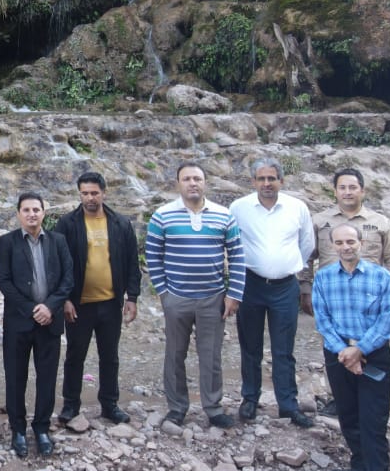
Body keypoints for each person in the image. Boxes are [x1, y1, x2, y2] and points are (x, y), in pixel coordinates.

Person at [313, 224, 390, 471]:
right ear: (333, 246)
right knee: (348, 415)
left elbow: (389, 321)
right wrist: (345, 352)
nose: (346, 246)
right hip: (337, 355)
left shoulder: (381, 277)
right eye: (340, 242)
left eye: (351, 241)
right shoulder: (323, 278)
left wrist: (359, 350)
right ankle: (360, 467)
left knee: (373, 420)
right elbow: (322, 320)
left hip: (374, 355)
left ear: (362, 242)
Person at [145, 163, 245, 428]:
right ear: (178, 183)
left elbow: (237, 256)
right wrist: (164, 293)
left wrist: (233, 294)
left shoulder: (224, 216)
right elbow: (153, 256)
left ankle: (213, 408)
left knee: (211, 355)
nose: (192, 183)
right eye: (187, 179)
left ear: (205, 182)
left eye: (197, 178)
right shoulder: (162, 216)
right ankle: (177, 408)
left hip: (213, 298)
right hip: (176, 297)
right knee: (175, 354)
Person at [229, 158, 316, 427]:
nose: (267, 184)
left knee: (284, 349)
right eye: (261, 179)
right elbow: (230, 243)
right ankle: (250, 399)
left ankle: (288, 405)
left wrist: (286, 267)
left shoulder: (297, 207)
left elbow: (306, 245)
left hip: (284, 287)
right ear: (253, 181)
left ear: (281, 181)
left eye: (272, 178)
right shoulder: (239, 208)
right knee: (250, 346)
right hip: (250, 285)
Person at [54, 171, 140, 425]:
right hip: (78, 305)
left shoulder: (121, 224)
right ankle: (70, 405)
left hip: (111, 303)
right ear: (79, 194)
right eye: (84, 193)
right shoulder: (67, 224)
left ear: (104, 192)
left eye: (94, 193)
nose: (89, 198)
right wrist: (65, 299)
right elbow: (59, 264)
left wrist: (132, 297)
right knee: (75, 355)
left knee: (110, 356)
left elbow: (132, 263)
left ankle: (110, 405)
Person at [0, 192, 73, 458]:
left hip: (50, 322)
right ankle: (18, 430)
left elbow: (67, 279)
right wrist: (32, 309)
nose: (32, 214)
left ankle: (41, 428)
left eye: (36, 210)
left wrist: (50, 306)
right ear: (18, 213)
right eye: (26, 210)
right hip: (19, 323)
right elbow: (4, 281)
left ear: (44, 213)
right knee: (15, 378)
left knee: (47, 378)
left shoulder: (58, 241)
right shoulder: (7, 242)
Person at [307, 167, 390, 307]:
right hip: (330, 296)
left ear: (362, 191)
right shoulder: (318, 221)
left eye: (353, 187)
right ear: (335, 192)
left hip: (372, 297)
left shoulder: (380, 222)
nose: (347, 192)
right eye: (342, 188)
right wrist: (305, 289)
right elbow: (306, 256)